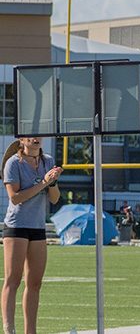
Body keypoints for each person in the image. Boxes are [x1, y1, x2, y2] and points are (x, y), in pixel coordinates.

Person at [2, 138, 62, 334]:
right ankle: (9, 329)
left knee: (35, 282)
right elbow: (15, 197)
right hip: (17, 225)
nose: (36, 139)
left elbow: (54, 198)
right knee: (13, 279)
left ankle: (31, 331)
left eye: (39, 136)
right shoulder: (13, 162)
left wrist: (52, 182)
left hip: (37, 226)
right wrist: (43, 182)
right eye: (31, 136)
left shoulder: (48, 160)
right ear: (22, 139)